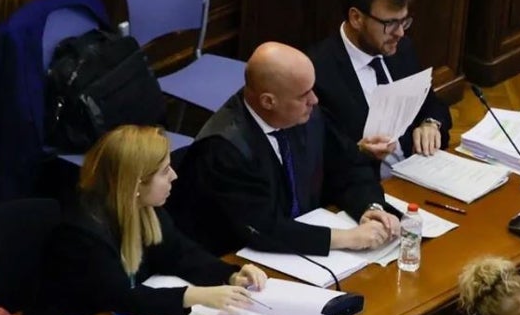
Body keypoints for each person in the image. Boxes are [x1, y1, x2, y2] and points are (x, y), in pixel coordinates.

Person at [169, 42, 399, 257]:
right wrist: (345, 238)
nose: (315, 100)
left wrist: (369, 206)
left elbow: (347, 165)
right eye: (303, 95)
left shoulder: (304, 114)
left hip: (304, 240)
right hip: (240, 261)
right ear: (269, 101)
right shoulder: (224, 149)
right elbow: (260, 228)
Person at [25, 125, 267, 315]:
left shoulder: (144, 208)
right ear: (136, 183)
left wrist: (230, 275)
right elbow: (119, 297)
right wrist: (195, 296)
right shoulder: (81, 234)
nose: (174, 176)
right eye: (164, 171)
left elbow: (179, 253)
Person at [308, 0, 451, 174]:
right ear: (356, 18)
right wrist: (360, 152)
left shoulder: (402, 49)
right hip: (365, 187)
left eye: (404, 21)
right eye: (391, 23)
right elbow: (318, 156)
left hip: (420, 173)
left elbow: (431, 105)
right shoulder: (317, 70)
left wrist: (430, 124)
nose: (400, 33)